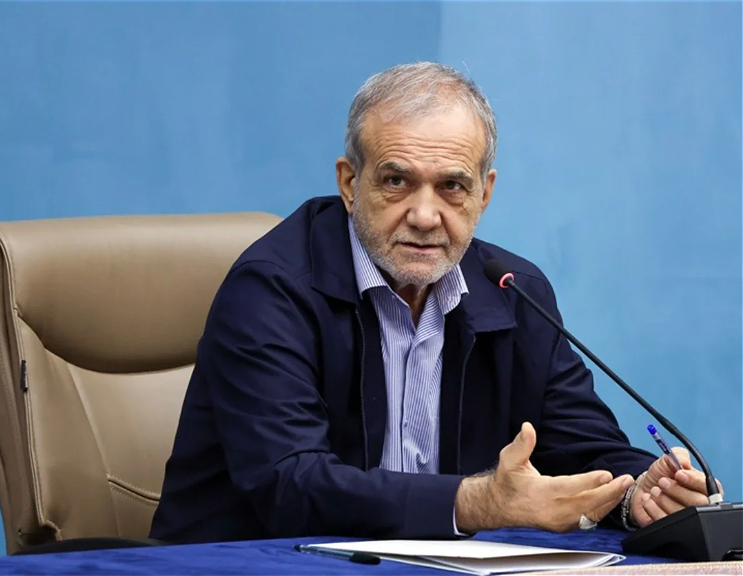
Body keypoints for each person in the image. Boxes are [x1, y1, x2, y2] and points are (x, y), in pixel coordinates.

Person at [150, 62, 718, 544]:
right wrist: (476, 504)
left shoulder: (514, 291)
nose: (425, 216)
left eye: (452, 186)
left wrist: (641, 494)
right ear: (349, 184)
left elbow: (585, 447)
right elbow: (290, 485)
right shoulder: (271, 289)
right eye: (396, 182)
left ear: (484, 193)